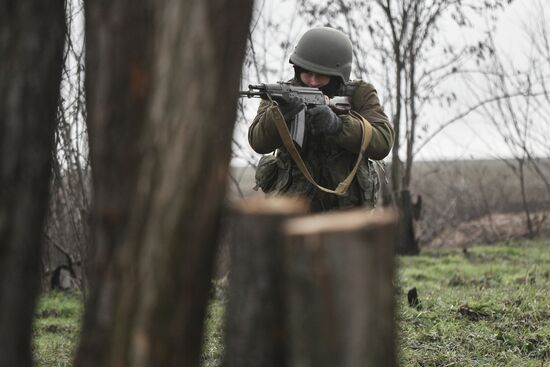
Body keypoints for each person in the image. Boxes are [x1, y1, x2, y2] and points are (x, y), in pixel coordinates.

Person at [248, 27, 394, 212]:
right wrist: (279, 116)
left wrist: (338, 126)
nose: (313, 81)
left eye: (321, 75)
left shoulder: (360, 94)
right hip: (293, 207)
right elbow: (258, 142)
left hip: (347, 210)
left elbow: (383, 141)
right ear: (296, 69)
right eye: (307, 73)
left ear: (338, 76)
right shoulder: (280, 94)